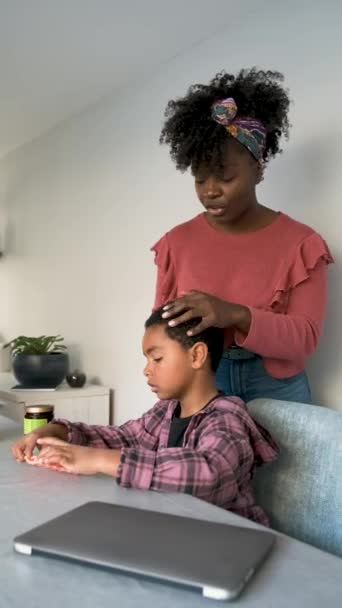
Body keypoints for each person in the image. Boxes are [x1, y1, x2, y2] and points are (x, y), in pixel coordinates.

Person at [152, 68, 334, 404]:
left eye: (224, 177)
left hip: (277, 387)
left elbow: (306, 338)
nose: (210, 191)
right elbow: (162, 332)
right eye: (199, 179)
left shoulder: (302, 245)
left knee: (288, 460)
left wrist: (234, 314)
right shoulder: (175, 244)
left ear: (259, 168)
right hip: (201, 381)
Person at [11, 307, 277, 525]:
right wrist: (60, 431)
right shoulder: (166, 411)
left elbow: (210, 474)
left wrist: (96, 459)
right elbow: (123, 437)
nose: (146, 371)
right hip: (178, 531)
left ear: (197, 355)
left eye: (157, 359)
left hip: (228, 539)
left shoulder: (228, 416)